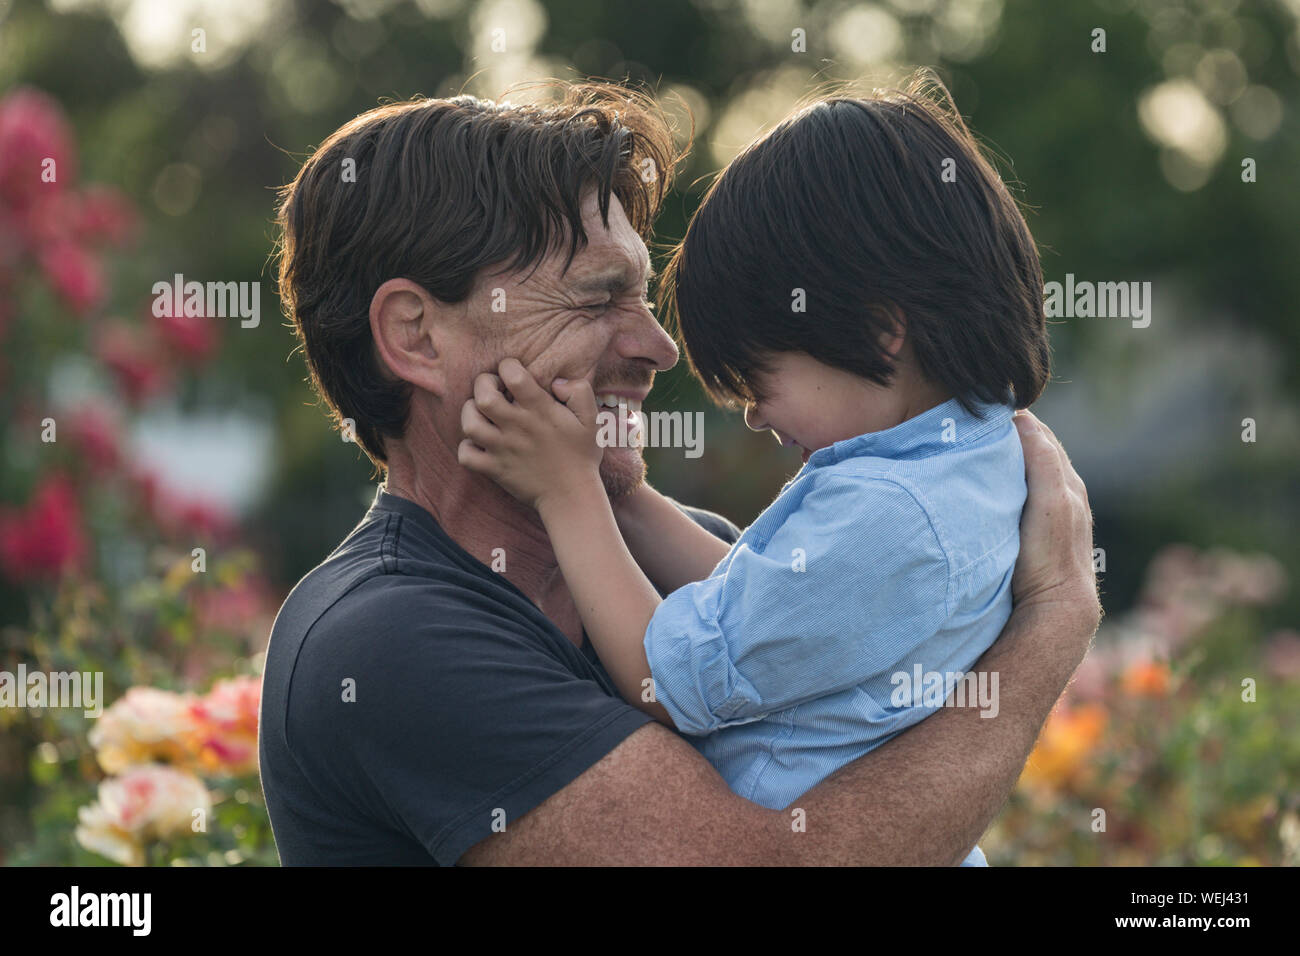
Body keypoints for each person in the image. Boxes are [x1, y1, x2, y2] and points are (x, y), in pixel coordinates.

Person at [259, 82, 1101, 865]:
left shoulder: (702, 554)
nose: (659, 350)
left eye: (645, 299)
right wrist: (1049, 628)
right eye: (597, 300)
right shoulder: (392, 640)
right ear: (418, 337)